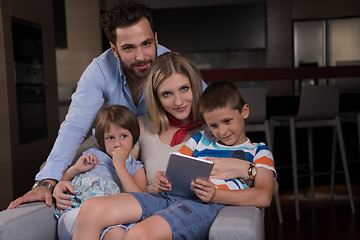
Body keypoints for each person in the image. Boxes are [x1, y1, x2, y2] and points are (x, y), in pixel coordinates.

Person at [7, 0, 170, 209]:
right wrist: (46, 181)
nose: (141, 57)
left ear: (156, 39)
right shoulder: (100, 69)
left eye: (147, 44)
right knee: (57, 166)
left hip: (158, 133)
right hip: (116, 138)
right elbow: (75, 126)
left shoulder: (172, 63)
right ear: (114, 49)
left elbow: (207, 108)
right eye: (128, 48)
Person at [71, 79, 276, 239]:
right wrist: (163, 178)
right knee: (92, 209)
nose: (221, 131)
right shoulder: (200, 139)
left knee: (138, 234)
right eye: (213, 125)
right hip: (167, 197)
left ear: (245, 112)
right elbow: (175, 170)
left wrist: (215, 196)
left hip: (204, 206)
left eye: (228, 121)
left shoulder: (258, 152)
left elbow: (264, 196)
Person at [55, 105, 146, 240]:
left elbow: (141, 201)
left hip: (113, 221)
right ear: (102, 140)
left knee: (119, 234)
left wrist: (120, 166)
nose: (117, 144)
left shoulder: (135, 167)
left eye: (124, 136)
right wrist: (76, 169)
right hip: (77, 215)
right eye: (110, 138)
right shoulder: (92, 155)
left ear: (134, 137)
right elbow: (64, 180)